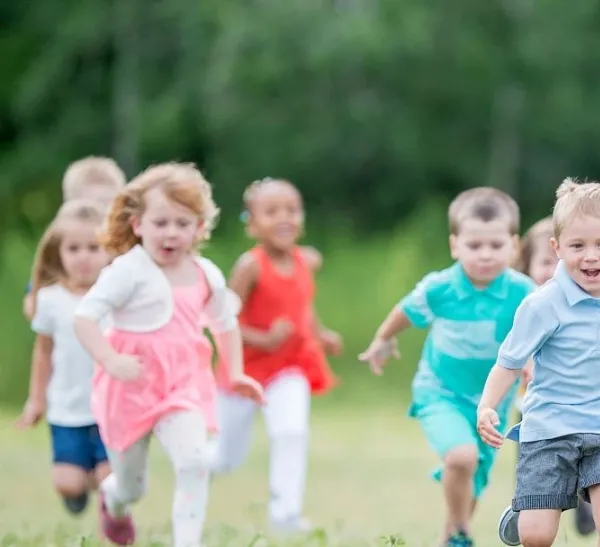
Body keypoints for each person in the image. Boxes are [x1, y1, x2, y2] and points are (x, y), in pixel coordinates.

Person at [72, 162, 264, 546]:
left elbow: (224, 324)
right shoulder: (128, 271)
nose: (171, 233)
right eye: (161, 223)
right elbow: (85, 317)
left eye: (182, 223)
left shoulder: (206, 273)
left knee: (194, 462)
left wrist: (236, 372)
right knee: (132, 485)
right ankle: (114, 500)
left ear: (198, 228)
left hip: (182, 385)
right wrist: (110, 359)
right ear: (138, 224)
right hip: (129, 386)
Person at [477, 179, 600, 547]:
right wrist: (487, 406)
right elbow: (509, 362)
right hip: (551, 427)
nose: (591, 257)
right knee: (537, 536)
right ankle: (527, 508)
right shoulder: (543, 305)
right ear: (557, 248)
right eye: (577, 246)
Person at [359, 187, 536, 547]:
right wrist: (382, 339)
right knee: (461, 456)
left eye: (496, 245)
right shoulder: (441, 288)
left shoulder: (524, 292)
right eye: (474, 246)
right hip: (440, 392)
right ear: (455, 245)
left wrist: (534, 363)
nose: (485, 255)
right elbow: (405, 311)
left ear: (514, 245)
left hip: (491, 403)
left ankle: (449, 538)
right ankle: (462, 532)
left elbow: (538, 332)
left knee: (474, 473)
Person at [210, 177, 342, 535]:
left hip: (290, 366)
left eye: (292, 210)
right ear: (252, 224)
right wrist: (263, 339)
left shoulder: (306, 261)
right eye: (271, 212)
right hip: (245, 371)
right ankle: (194, 472)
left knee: (291, 432)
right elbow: (223, 320)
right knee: (224, 457)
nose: (284, 217)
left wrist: (320, 334)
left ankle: (285, 516)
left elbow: (302, 307)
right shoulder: (249, 266)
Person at [14, 200, 112, 517]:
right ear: (59, 253)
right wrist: (36, 400)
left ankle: (111, 507)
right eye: (73, 248)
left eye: (93, 247)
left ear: (110, 250)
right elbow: (43, 352)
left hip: (110, 406)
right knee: (67, 482)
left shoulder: (117, 295)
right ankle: (81, 487)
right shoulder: (50, 300)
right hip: (67, 407)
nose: (83, 256)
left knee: (110, 480)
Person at [511, 216, 597, 537]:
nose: (555, 270)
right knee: (531, 462)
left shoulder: (585, 302)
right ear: (528, 265)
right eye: (546, 262)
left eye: (561, 262)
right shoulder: (524, 304)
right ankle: (527, 505)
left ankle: (585, 501)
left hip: (581, 404)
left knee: (583, 454)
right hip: (533, 408)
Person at [24, 156, 127, 320]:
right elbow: (33, 303)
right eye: (90, 206)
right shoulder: (63, 251)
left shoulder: (126, 249)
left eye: (108, 205)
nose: (99, 213)